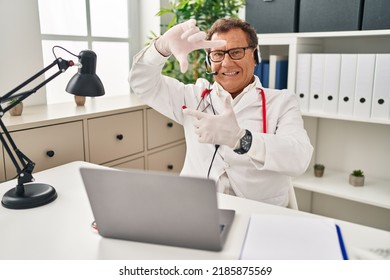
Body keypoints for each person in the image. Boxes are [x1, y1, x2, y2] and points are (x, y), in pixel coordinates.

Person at [129, 18, 313, 207]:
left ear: (255, 56)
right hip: (197, 207)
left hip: (258, 211)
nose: (226, 63)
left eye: (236, 52)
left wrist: (242, 139)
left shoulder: (281, 102)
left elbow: (299, 157)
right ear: (210, 61)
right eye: (217, 54)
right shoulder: (193, 97)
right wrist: (162, 47)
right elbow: (142, 83)